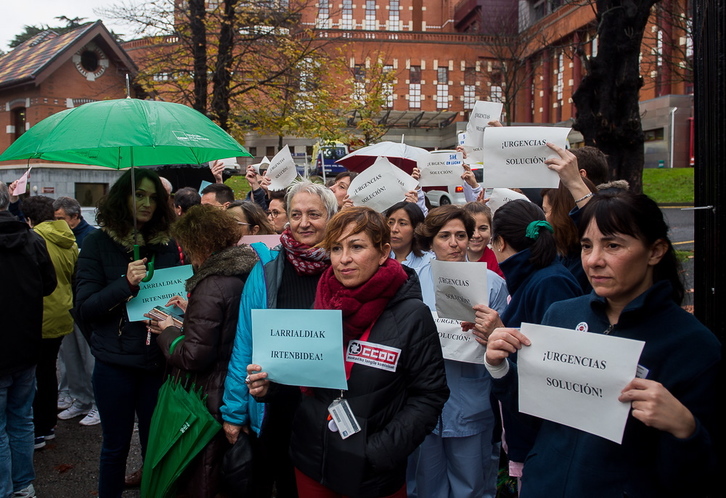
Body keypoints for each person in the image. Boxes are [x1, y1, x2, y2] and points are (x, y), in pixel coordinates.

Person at [485, 190, 721, 496]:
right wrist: (502, 367)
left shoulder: (694, 347)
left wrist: (685, 429)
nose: (594, 260)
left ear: (655, 251)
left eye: (613, 245)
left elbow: (701, 475)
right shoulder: (561, 314)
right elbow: (534, 408)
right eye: (586, 246)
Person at [246, 206, 450, 497]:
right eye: (336, 248)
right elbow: (306, 380)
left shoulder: (411, 315)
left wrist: (379, 451)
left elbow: (431, 394)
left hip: (371, 475)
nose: (344, 259)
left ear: (383, 252)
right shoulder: (321, 300)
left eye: (357, 247)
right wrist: (271, 386)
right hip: (311, 461)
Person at [221, 180, 338, 497]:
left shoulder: (345, 269)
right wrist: (234, 412)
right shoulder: (266, 272)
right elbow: (245, 343)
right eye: (296, 213)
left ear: (331, 217)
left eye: (314, 214)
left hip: (333, 411)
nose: (304, 222)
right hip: (278, 410)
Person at [74, 168, 180, 497]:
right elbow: (85, 308)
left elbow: (173, 291)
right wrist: (126, 284)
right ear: (124, 198)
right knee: (115, 448)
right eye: (139, 195)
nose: (147, 203)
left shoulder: (166, 244)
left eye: (153, 197)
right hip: (115, 365)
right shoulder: (96, 244)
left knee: (156, 448)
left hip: (156, 361)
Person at [468, 199, 582, 484]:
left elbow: (557, 363)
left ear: (501, 242)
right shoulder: (533, 277)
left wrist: (501, 329)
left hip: (543, 435)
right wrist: (494, 336)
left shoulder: (549, 283)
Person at [149, 205, 259, 497]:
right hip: (232, 385)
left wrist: (167, 331)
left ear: (201, 243)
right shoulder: (244, 270)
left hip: (208, 392)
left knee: (202, 477)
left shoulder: (211, 284)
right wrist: (190, 317)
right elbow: (223, 329)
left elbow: (193, 356)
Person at [409, 205, 508, 498]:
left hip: (470, 402)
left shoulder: (494, 285)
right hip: (422, 401)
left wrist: (494, 330)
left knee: (472, 486)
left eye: (461, 235)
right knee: (427, 486)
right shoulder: (410, 280)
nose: (454, 243)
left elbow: (504, 347)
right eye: (444, 236)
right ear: (430, 241)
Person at [0, 181, 57, 498]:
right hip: (26, 341)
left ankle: (8, 489)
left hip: (15, 347)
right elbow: (47, 283)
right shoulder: (31, 238)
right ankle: (22, 485)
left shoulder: (33, 238)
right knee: (21, 419)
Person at [21, 196, 79, 450]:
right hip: (63, 310)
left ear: (29, 219)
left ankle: (37, 430)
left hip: (39, 313)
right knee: (48, 372)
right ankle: (48, 426)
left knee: (33, 375)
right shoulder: (69, 238)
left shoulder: (33, 239)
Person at [53, 196, 100, 427]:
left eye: (62, 219)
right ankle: (80, 399)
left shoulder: (90, 237)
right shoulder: (59, 238)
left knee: (89, 357)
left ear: (75, 216)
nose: (59, 223)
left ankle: (96, 404)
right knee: (69, 357)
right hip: (66, 304)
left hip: (84, 306)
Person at [541, 179, 598, 292]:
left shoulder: (584, 265)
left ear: (561, 214)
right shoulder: (563, 255)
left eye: (545, 211)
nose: (543, 218)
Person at [384, 201, 431, 273]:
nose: (394, 229)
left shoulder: (428, 264)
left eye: (402, 223)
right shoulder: (378, 259)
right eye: (390, 222)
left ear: (416, 228)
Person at [462, 202, 503, 278]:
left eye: (483, 228)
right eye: (470, 229)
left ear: (491, 231)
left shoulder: (498, 262)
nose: (476, 235)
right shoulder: (454, 258)